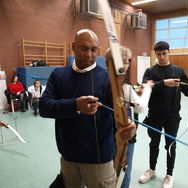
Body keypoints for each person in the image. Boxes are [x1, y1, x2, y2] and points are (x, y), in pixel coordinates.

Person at [39, 29, 136, 188]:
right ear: (73, 46)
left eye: (93, 49)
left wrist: (128, 125)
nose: (89, 54)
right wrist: (75, 105)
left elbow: (122, 113)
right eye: (83, 48)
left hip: (99, 160)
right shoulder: (58, 75)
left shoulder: (108, 78)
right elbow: (44, 107)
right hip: (68, 157)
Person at [138, 41, 188, 188]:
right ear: (156, 54)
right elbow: (145, 88)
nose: (162, 57)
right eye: (159, 54)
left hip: (172, 116)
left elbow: (186, 89)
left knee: (170, 146)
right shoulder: (150, 71)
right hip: (154, 115)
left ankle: (169, 175)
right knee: (153, 144)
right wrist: (164, 83)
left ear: (169, 52)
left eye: (164, 53)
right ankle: (152, 170)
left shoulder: (178, 71)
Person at [105, 46, 153, 188]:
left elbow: (124, 100)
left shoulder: (102, 80)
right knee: (123, 171)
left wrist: (134, 92)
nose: (128, 64)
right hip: (123, 137)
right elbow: (140, 107)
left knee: (108, 171)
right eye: (126, 61)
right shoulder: (124, 86)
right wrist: (148, 89)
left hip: (106, 135)